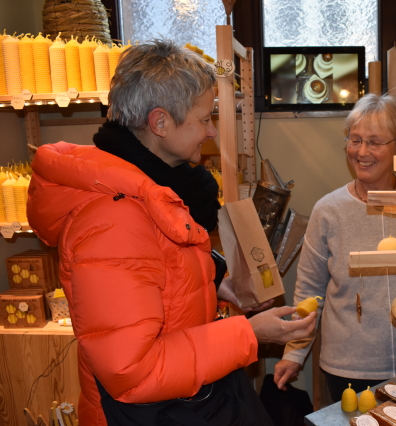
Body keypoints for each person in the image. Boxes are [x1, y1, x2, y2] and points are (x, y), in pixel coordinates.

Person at [27, 40, 315, 426]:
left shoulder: (158, 193)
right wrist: (249, 334)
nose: (210, 131)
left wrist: (211, 283)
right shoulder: (112, 221)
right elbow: (135, 371)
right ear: (160, 123)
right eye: (204, 118)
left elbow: (156, 278)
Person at [273, 94, 396, 402]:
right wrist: (294, 354)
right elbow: (309, 293)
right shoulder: (329, 211)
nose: (362, 152)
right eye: (355, 139)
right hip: (348, 369)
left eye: (375, 142)